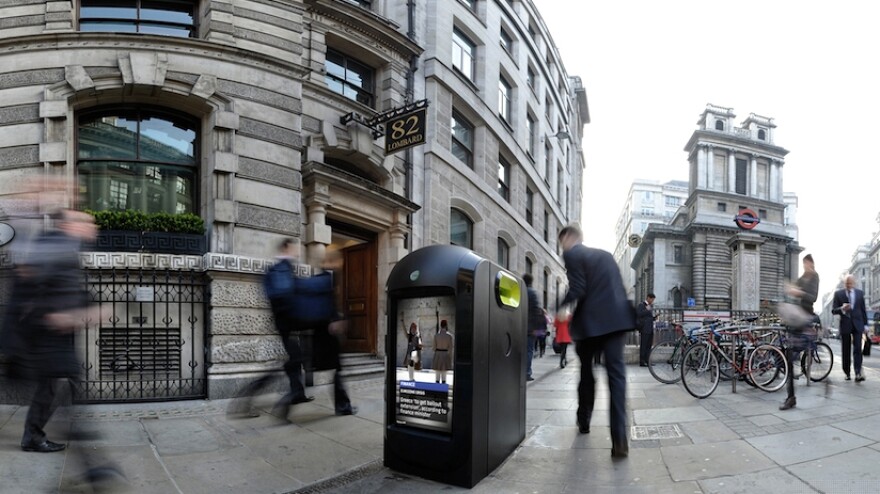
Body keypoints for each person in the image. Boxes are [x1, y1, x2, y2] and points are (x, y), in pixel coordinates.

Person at [557, 224, 635, 458]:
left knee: (587, 374)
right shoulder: (605, 255)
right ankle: (619, 439)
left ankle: (584, 421)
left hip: (590, 324)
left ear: (570, 238)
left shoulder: (572, 254)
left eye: (563, 242)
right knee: (617, 378)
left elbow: (578, 288)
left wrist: (560, 306)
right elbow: (618, 289)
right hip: (616, 321)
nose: (563, 247)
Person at [229, 239, 314, 420]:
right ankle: (248, 399)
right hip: (288, 323)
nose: (297, 251)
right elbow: (284, 296)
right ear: (286, 248)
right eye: (295, 248)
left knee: (295, 360)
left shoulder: (281, 268)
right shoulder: (281, 268)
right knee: (292, 361)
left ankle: (296, 394)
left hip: (286, 323)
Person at [295, 248, 357, 416]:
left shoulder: (321, 279)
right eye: (337, 261)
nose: (339, 264)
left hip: (321, 332)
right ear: (331, 262)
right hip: (327, 332)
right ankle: (343, 406)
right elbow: (328, 305)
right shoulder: (327, 279)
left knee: (335, 368)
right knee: (336, 368)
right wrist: (335, 321)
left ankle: (343, 405)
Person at [779, 254, 820, 411]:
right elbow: (792, 292)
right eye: (804, 265)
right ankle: (791, 397)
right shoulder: (802, 278)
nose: (805, 267)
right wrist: (790, 290)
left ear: (812, 263)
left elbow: (813, 297)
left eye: (807, 264)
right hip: (796, 319)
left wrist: (799, 293)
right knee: (789, 356)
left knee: (793, 355)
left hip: (806, 319)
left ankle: (792, 397)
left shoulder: (815, 277)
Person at [832, 274, 868, 382]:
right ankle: (847, 373)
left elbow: (863, 310)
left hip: (858, 324)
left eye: (850, 283)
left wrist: (865, 325)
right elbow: (833, 310)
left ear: (854, 283)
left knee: (858, 349)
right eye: (847, 283)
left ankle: (858, 373)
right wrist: (842, 309)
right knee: (846, 350)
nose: (849, 285)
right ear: (844, 283)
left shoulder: (860, 293)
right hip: (846, 325)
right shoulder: (838, 294)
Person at [523, 273, 545, 382]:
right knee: (529, 350)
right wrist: (537, 328)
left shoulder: (519, 290)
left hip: (518, 326)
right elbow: (536, 311)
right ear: (531, 282)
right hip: (529, 328)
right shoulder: (532, 293)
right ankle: (526, 373)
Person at [636, 293, 656, 367]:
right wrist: (647, 310)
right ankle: (642, 361)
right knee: (644, 345)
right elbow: (639, 314)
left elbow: (648, 317)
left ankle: (647, 361)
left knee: (649, 346)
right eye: (652, 299)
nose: (652, 301)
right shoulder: (642, 305)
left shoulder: (649, 306)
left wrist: (654, 318)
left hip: (650, 328)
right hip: (644, 328)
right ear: (648, 298)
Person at [432, 319, 453, 384]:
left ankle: (437, 389)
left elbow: (434, 348)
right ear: (446, 325)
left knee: (437, 374)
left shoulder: (436, 335)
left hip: (438, 354)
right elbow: (450, 348)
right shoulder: (449, 336)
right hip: (445, 354)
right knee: (444, 374)